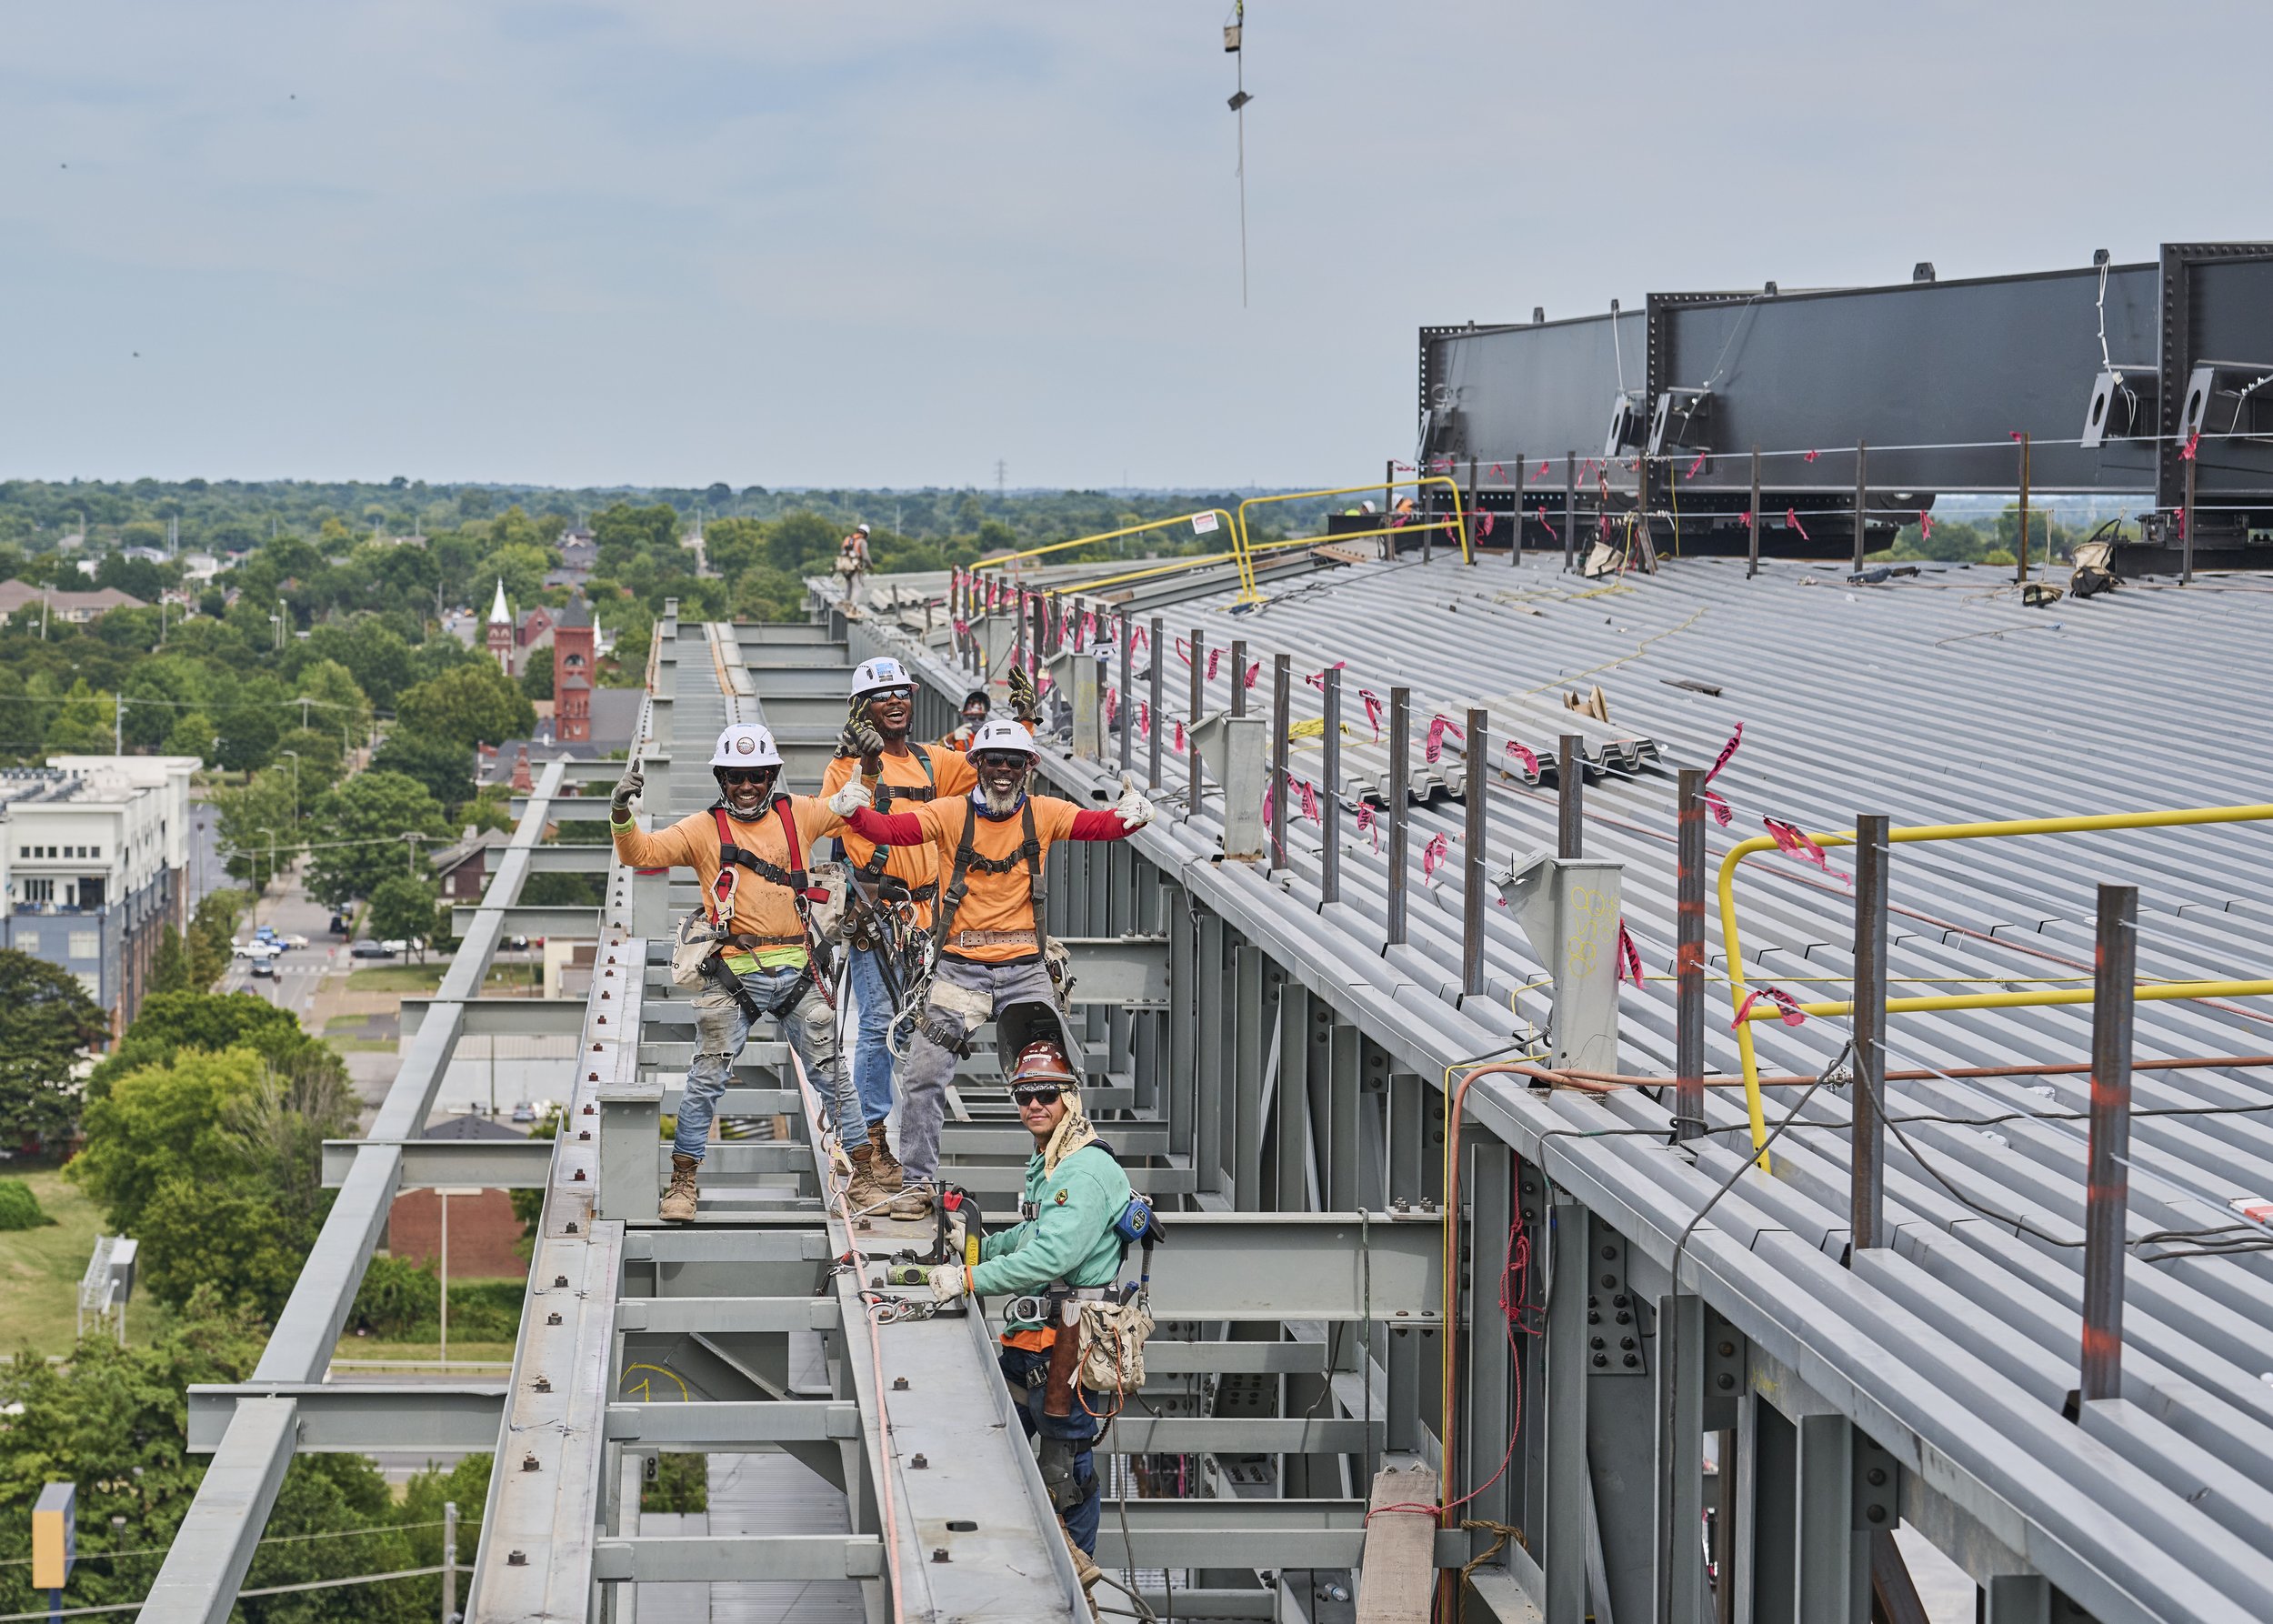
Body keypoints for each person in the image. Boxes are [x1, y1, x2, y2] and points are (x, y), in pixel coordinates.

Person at [827, 717, 1153, 1219]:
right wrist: (855, 808)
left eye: (1014, 762)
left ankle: (1064, 1187)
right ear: (976, 764)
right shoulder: (950, 814)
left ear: (1028, 768)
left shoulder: (1042, 814)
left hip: (1023, 967)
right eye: (994, 761)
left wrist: (1130, 817)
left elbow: (1099, 826)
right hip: (961, 969)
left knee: (1056, 1080)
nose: (1003, 771)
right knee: (924, 1073)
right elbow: (891, 829)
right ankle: (916, 1185)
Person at [612, 723, 876, 1219]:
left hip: (798, 968)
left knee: (832, 1074)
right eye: (736, 777)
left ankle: (863, 1175)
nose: (747, 785)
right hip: (735, 972)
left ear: (772, 774)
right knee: (706, 1078)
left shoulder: (798, 813)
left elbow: (855, 811)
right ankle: (683, 1185)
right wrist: (621, 813)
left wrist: (871, 768)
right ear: (722, 779)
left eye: (757, 775)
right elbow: (639, 853)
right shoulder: (702, 830)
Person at [926, 1035, 1132, 1590]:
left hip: (1064, 1349)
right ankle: (1005, 1566)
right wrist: (981, 1244)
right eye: (1024, 1096)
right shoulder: (1052, 1162)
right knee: (997, 1455)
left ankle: (1074, 1582)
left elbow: (1054, 1254)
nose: (1034, 1106)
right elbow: (1033, 1233)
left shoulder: (1082, 1171)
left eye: (1046, 1094)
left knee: (1065, 1475)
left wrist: (967, 1277)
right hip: (1030, 1345)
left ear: (1071, 1099)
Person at [819, 657, 978, 1205]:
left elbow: (994, 769)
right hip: (880, 916)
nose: (895, 702)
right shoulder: (843, 770)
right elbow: (841, 811)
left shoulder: (935, 764)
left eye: (902, 694)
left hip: (929, 921)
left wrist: (1020, 726)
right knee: (879, 1024)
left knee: (917, 1032)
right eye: (881, 695)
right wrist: (857, 763)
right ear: (861, 708)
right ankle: (870, 1141)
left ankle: (898, 1146)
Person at [940, 687, 992, 751]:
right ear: (963, 715)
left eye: (980, 717)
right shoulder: (958, 739)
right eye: (972, 717)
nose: (977, 720)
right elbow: (937, 753)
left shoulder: (991, 737)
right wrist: (952, 738)